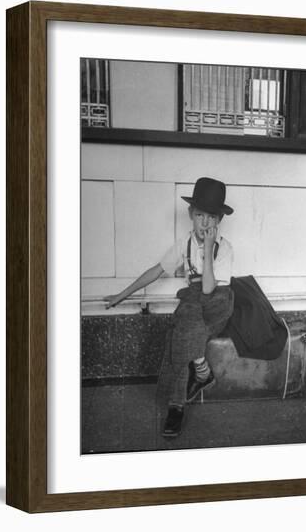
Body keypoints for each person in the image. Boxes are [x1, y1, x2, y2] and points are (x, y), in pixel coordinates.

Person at [105, 177, 234, 438]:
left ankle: (198, 377)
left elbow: (209, 289)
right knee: (184, 328)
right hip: (194, 307)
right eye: (200, 216)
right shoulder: (183, 244)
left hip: (218, 303)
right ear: (190, 215)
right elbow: (156, 271)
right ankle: (185, 394)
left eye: (211, 217)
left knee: (189, 316)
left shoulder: (225, 248)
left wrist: (208, 250)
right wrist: (122, 294)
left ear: (219, 219)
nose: (205, 223)